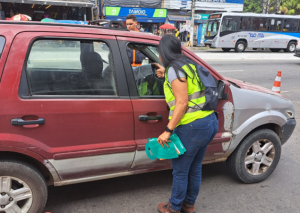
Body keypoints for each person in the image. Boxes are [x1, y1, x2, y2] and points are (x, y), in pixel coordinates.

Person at [153, 35, 218, 213]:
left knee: (180, 172)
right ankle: (189, 205)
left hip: (192, 127)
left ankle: (174, 207)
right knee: (195, 168)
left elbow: (181, 103)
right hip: (209, 122)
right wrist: (165, 73)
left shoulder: (174, 69)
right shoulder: (188, 64)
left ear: (163, 53)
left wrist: (168, 130)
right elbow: (187, 87)